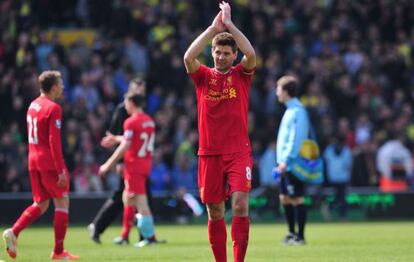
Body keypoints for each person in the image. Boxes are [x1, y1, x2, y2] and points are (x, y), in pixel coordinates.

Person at [183, 2, 256, 261]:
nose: (222, 56)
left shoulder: (241, 75)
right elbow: (188, 57)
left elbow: (252, 54)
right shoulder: (202, 76)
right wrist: (212, 30)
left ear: (233, 55)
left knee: (239, 205)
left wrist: (231, 26)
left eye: (227, 53)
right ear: (212, 53)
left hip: (238, 152)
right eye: (218, 52)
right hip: (209, 153)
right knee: (215, 211)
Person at [2, 71, 79, 260]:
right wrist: (61, 169)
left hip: (33, 159)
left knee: (41, 203)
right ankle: (58, 252)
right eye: (60, 84)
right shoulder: (53, 108)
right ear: (53, 87)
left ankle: (14, 231)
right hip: (48, 161)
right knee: (62, 202)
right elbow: (54, 141)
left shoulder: (33, 105)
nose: (62, 87)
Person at [98, 91, 162, 247]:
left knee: (141, 202)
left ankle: (150, 238)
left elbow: (125, 146)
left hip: (134, 166)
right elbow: (136, 139)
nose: (125, 106)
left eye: (126, 102)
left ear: (132, 103)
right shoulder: (149, 121)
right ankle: (125, 236)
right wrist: (116, 139)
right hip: (145, 164)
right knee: (128, 198)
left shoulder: (130, 122)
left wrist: (108, 164)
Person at [87, 79, 148, 244]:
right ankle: (100, 227)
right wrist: (119, 163)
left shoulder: (141, 110)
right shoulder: (122, 110)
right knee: (125, 197)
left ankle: (136, 236)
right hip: (127, 161)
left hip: (138, 160)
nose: (140, 94)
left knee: (131, 197)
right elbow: (114, 137)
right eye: (137, 90)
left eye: (142, 91)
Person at [275, 75, 310, 245]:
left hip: (292, 164)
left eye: (279, 89)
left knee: (297, 198)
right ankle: (291, 233)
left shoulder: (298, 111)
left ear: (286, 91)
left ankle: (300, 237)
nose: (277, 92)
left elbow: (297, 138)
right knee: (285, 197)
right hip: (285, 164)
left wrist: (286, 160)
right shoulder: (290, 110)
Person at [323, 134, 353, 220]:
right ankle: (341, 214)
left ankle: (332, 209)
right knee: (341, 197)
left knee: (340, 197)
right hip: (337, 178)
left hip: (338, 178)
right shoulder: (345, 151)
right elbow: (349, 166)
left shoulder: (329, 150)